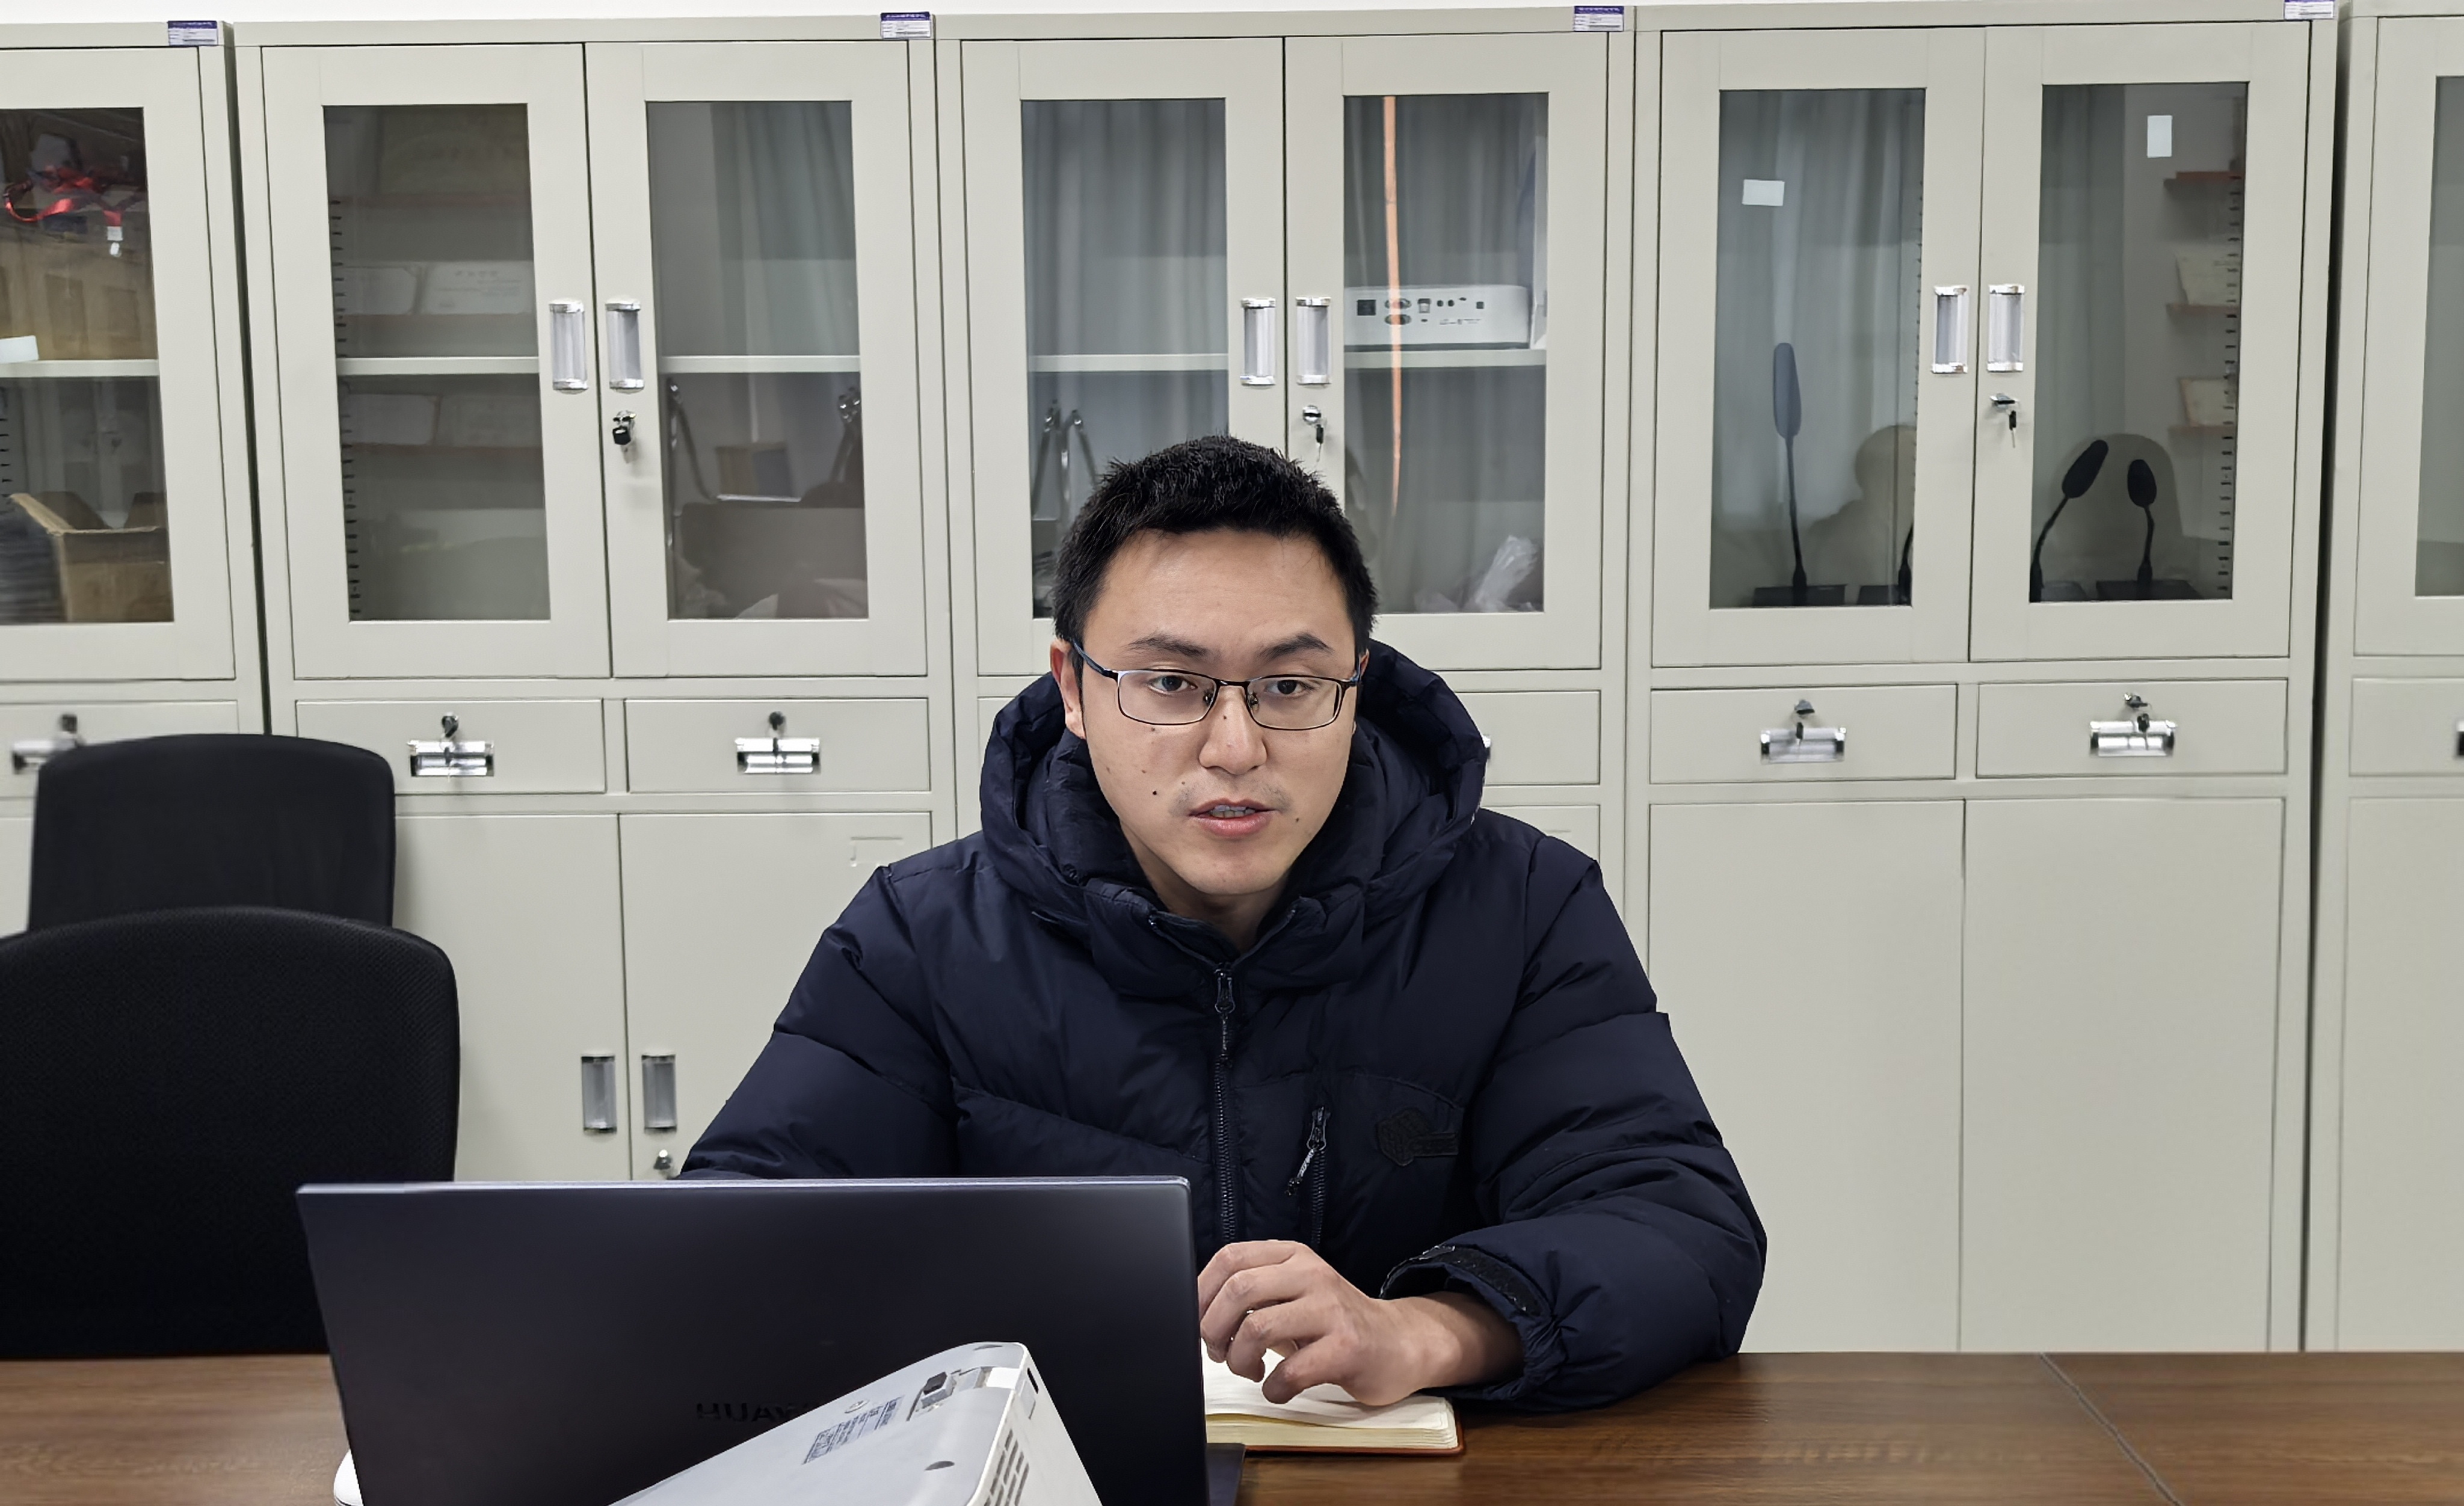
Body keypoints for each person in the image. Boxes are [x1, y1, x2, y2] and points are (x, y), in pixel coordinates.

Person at [686, 435, 1764, 1409]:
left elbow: (1679, 1229)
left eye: (1290, 686)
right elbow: (728, 1254)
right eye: (1171, 681)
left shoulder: (1523, 907)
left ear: (1356, 685)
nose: (1236, 748)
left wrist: (1425, 1331)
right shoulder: (922, 936)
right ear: (1074, 688)